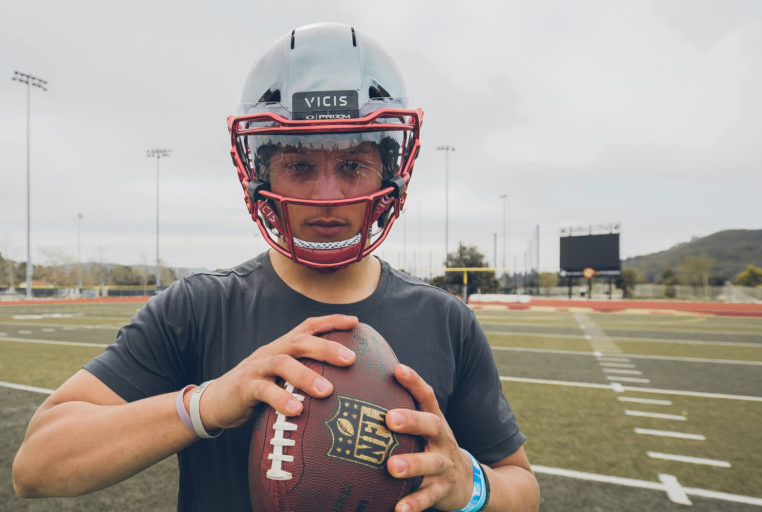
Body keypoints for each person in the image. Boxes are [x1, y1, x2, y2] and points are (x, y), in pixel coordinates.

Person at [13, 23, 539, 512]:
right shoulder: (197, 309)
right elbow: (36, 466)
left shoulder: (446, 320)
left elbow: (522, 487)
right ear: (260, 171)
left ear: (392, 166)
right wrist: (206, 404)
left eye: (353, 164)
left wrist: (469, 483)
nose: (327, 196)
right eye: (299, 165)